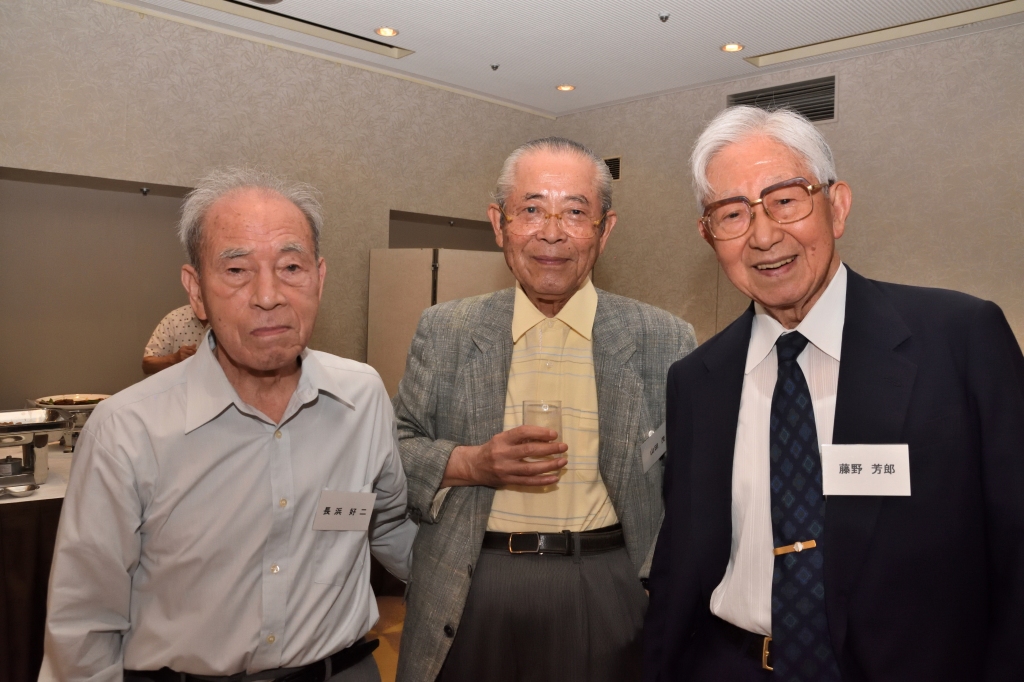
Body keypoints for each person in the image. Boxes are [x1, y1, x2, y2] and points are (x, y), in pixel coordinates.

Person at [644, 106, 1024, 681]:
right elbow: (680, 564)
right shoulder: (696, 379)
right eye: (732, 213)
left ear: (837, 206)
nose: (763, 235)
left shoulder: (960, 340)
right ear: (708, 235)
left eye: (785, 200)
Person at [42, 168, 416, 681]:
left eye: (291, 266)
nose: (269, 295)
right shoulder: (126, 431)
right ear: (196, 290)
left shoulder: (362, 396)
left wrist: (494, 582)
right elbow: (84, 624)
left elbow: (388, 525)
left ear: (319, 278)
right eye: (237, 270)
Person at [394, 137, 697, 682]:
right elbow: (398, 450)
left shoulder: (664, 338)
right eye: (531, 210)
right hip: (471, 582)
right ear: (499, 223)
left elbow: (691, 483)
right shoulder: (446, 330)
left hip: (606, 582)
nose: (551, 233)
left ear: (604, 230)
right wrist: (472, 463)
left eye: (575, 213)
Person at [141, 304, 208, 375]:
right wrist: (175, 359)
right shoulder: (173, 319)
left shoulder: (217, 321)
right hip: (181, 381)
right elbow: (147, 365)